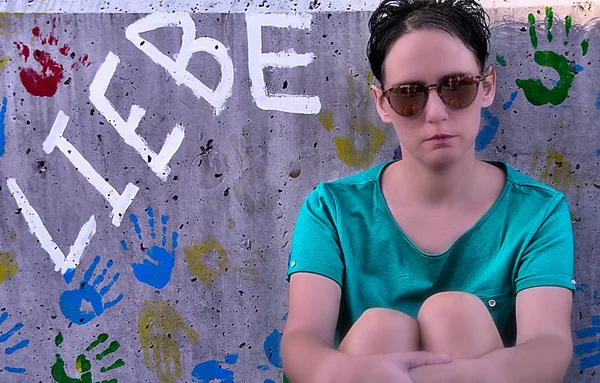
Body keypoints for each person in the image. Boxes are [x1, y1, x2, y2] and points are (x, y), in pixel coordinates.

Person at [281, 0, 576, 382]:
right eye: (409, 95)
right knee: (380, 329)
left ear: (486, 86)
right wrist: (352, 372)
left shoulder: (536, 212)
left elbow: (548, 343)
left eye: (456, 87)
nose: (435, 112)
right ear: (383, 104)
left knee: (454, 313)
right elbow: (303, 338)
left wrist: (466, 376)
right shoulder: (333, 210)